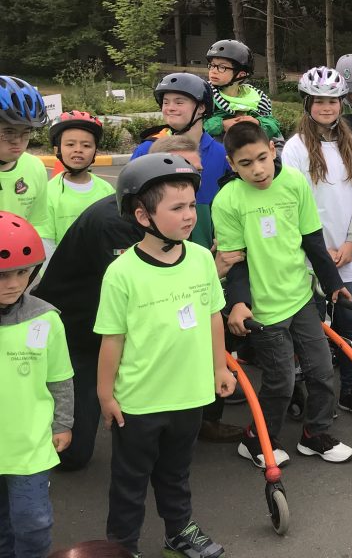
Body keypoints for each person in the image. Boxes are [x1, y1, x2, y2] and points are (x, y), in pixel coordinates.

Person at [94, 155, 234, 557]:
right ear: (142, 215)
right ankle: (122, 545)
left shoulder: (201, 259)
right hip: (140, 401)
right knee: (129, 479)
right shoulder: (122, 273)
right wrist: (106, 395)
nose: (189, 216)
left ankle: (179, 530)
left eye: (191, 205)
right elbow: (112, 340)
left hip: (189, 394)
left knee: (176, 473)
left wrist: (219, 366)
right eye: (177, 208)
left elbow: (212, 317)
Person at [214, 122, 352, 468]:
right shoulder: (227, 201)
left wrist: (334, 282)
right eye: (245, 163)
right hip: (264, 311)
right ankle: (257, 439)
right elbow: (235, 263)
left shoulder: (294, 182)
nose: (257, 169)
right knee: (279, 382)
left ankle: (315, 433)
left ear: (273, 150)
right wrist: (238, 304)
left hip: (300, 297)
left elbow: (312, 239)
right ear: (232, 165)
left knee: (322, 370)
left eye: (262, 158)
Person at [282, 67, 352, 422]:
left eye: (333, 101)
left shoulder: (350, 144)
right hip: (310, 258)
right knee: (312, 335)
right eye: (319, 100)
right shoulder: (294, 149)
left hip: (346, 256)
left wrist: (351, 244)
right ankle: (310, 397)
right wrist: (321, 252)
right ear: (307, 103)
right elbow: (295, 207)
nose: (327, 107)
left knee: (351, 327)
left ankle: (351, 390)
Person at [0, 212, 73, 558]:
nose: (13, 283)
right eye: (2, 275)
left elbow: (60, 377)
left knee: (33, 522)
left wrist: (63, 423)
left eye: (22, 273)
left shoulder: (45, 319)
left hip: (29, 447)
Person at [131, 73, 230, 250]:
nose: (169, 108)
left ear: (201, 108)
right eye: (166, 102)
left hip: (210, 258)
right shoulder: (146, 151)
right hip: (159, 258)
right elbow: (131, 207)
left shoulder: (222, 154)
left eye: (179, 102)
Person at [0, 75, 54, 254]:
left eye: (26, 133)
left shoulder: (35, 167)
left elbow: (38, 225)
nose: (18, 141)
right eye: (8, 132)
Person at [43, 112, 114, 245]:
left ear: (95, 152)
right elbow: (47, 243)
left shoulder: (107, 190)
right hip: (62, 265)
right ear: (56, 150)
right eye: (70, 144)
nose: (78, 150)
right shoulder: (48, 192)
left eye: (86, 145)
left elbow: (114, 234)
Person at [203, 40, 282, 143]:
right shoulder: (204, 93)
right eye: (212, 65)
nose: (213, 71)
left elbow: (274, 125)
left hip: (249, 151)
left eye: (222, 67)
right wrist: (222, 125)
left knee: (278, 142)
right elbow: (193, 125)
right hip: (214, 152)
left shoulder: (257, 97)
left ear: (241, 75)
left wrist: (257, 123)